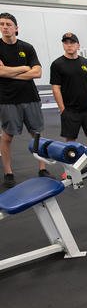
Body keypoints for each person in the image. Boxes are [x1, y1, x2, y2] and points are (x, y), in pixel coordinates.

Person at [0, 12, 51, 188]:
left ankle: (43, 168)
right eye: (1, 24)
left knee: (36, 133)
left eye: (8, 24)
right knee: (7, 136)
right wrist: (23, 68)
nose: (4, 27)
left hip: (30, 97)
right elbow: (0, 73)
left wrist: (9, 72)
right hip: (7, 100)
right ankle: (8, 172)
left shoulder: (27, 47)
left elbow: (37, 72)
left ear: (16, 28)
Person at [50, 32, 87, 174]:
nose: (69, 45)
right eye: (66, 42)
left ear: (78, 45)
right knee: (70, 140)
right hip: (70, 110)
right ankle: (70, 169)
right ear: (63, 45)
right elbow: (56, 88)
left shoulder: (85, 63)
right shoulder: (57, 64)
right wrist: (62, 109)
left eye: (72, 42)